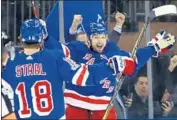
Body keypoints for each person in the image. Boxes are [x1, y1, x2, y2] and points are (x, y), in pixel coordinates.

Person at [44, 13, 176, 119]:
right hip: (74, 107)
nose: (100, 40)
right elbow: (57, 49)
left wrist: (154, 47)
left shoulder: (113, 50)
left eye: (103, 37)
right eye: (96, 37)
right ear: (89, 39)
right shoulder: (77, 48)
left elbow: (134, 62)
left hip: (103, 108)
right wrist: (45, 37)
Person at [1, 19, 125, 119]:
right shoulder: (55, 57)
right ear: (41, 38)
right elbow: (84, 77)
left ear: (20, 38)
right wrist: (109, 67)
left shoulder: (10, 63)